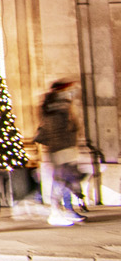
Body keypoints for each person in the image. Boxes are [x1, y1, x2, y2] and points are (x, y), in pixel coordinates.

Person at [37, 79, 84, 226]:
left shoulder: (54, 105)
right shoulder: (58, 107)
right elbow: (63, 129)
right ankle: (56, 211)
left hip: (61, 148)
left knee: (64, 179)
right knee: (61, 180)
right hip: (60, 149)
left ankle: (66, 210)